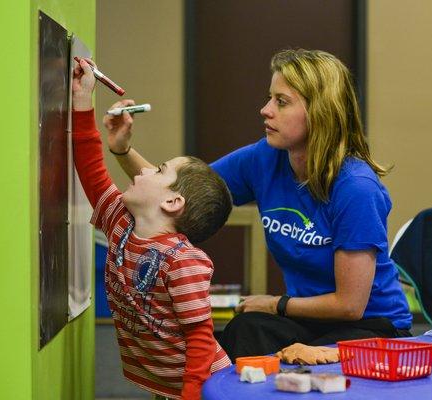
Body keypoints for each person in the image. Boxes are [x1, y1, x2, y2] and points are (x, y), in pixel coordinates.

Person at [106, 49, 413, 360]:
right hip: (310, 320)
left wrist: (274, 304)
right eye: (270, 98)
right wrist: (123, 149)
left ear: (320, 112)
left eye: (281, 102)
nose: (265, 110)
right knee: (245, 331)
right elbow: (178, 193)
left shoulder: (356, 188)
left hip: (371, 326)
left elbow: (349, 306)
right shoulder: (264, 157)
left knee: (304, 362)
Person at [71, 58, 232, 400]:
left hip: (202, 386)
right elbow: (92, 172)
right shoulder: (120, 224)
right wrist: (82, 102)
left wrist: (191, 395)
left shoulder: (184, 262)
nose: (141, 172)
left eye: (158, 171)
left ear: (173, 203)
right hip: (165, 382)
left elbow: (201, 339)